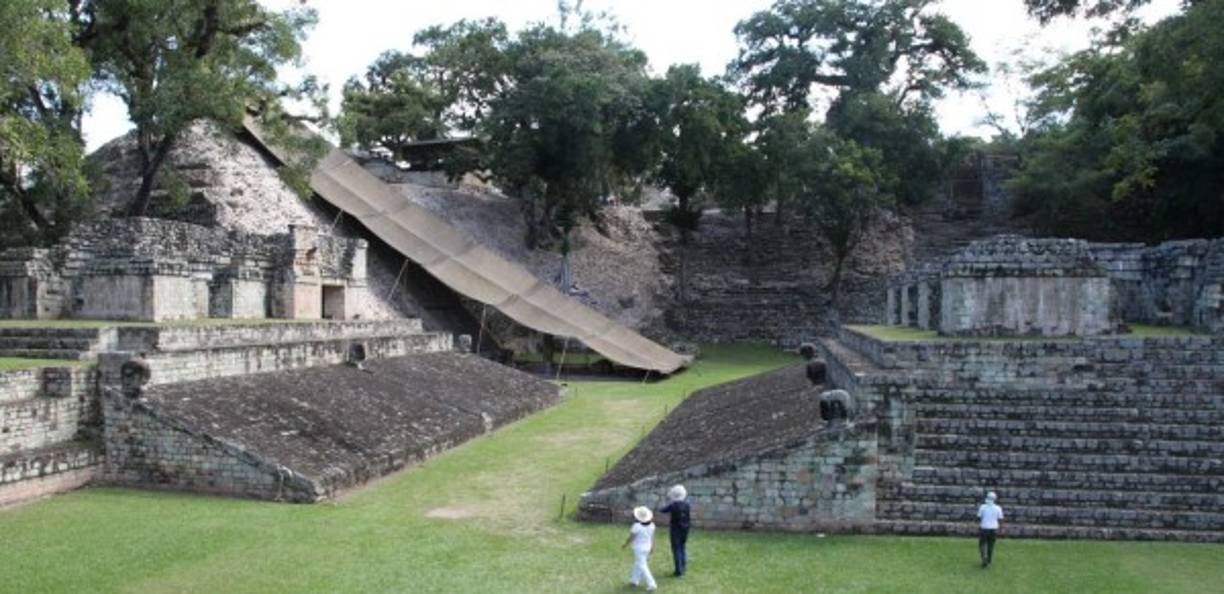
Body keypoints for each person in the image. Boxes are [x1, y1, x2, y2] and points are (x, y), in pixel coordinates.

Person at [657, 484, 691, 577]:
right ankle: (683, 567)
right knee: (682, 547)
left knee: (676, 549)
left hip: (676, 530)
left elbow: (662, 510)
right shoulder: (687, 504)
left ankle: (678, 570)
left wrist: (665, 501)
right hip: (685, 529)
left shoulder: (673, 505)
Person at [622, 506, 657, 591]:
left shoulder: (636, 526)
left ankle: (652, 584)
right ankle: (634, 580)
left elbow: (631, 537)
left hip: (639, 548)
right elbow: (652, 537)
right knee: (639, 563)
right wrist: (652, 546)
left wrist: (625, 544)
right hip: (647, 547)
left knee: (642, 565)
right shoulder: (652, 525)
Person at [977, 491, 1004, 568]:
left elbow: (979, 517)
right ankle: (989, 560)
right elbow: (1000, 519)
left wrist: (980, 524)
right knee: (991, 545)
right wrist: (1001, 528)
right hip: (994, 528)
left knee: (982, 544)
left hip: (984, 527)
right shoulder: (998, 508)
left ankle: (984, 557)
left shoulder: (982, 507)